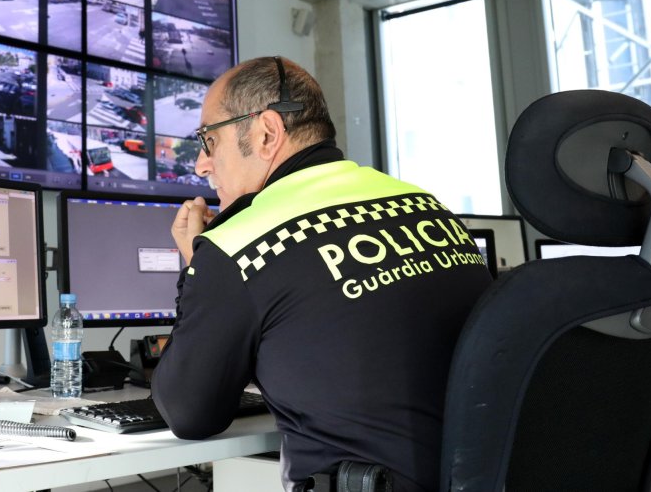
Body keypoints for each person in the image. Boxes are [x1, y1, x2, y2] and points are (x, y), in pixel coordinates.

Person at [151, 56, 493, 491]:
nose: (201, 164)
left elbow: (189, 414)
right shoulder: (426, 204)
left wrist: (198, 267)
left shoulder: (240, 243)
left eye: (208, 140)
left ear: (267, 134)